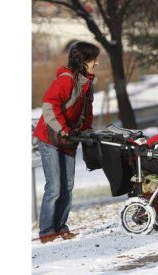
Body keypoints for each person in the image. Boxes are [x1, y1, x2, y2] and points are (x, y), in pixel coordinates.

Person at [33, 41, 100, 243]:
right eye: (93, 59)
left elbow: (86, 112)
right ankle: (47, 232)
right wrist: (63, 129)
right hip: (51, 138)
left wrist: (87, 132)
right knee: (54, 186)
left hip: (69, 139)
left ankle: (61, 227)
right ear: (82, 60)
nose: (96, 63)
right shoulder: (66, 80)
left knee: (67, 185)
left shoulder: (87, 83)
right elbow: (49, 106)